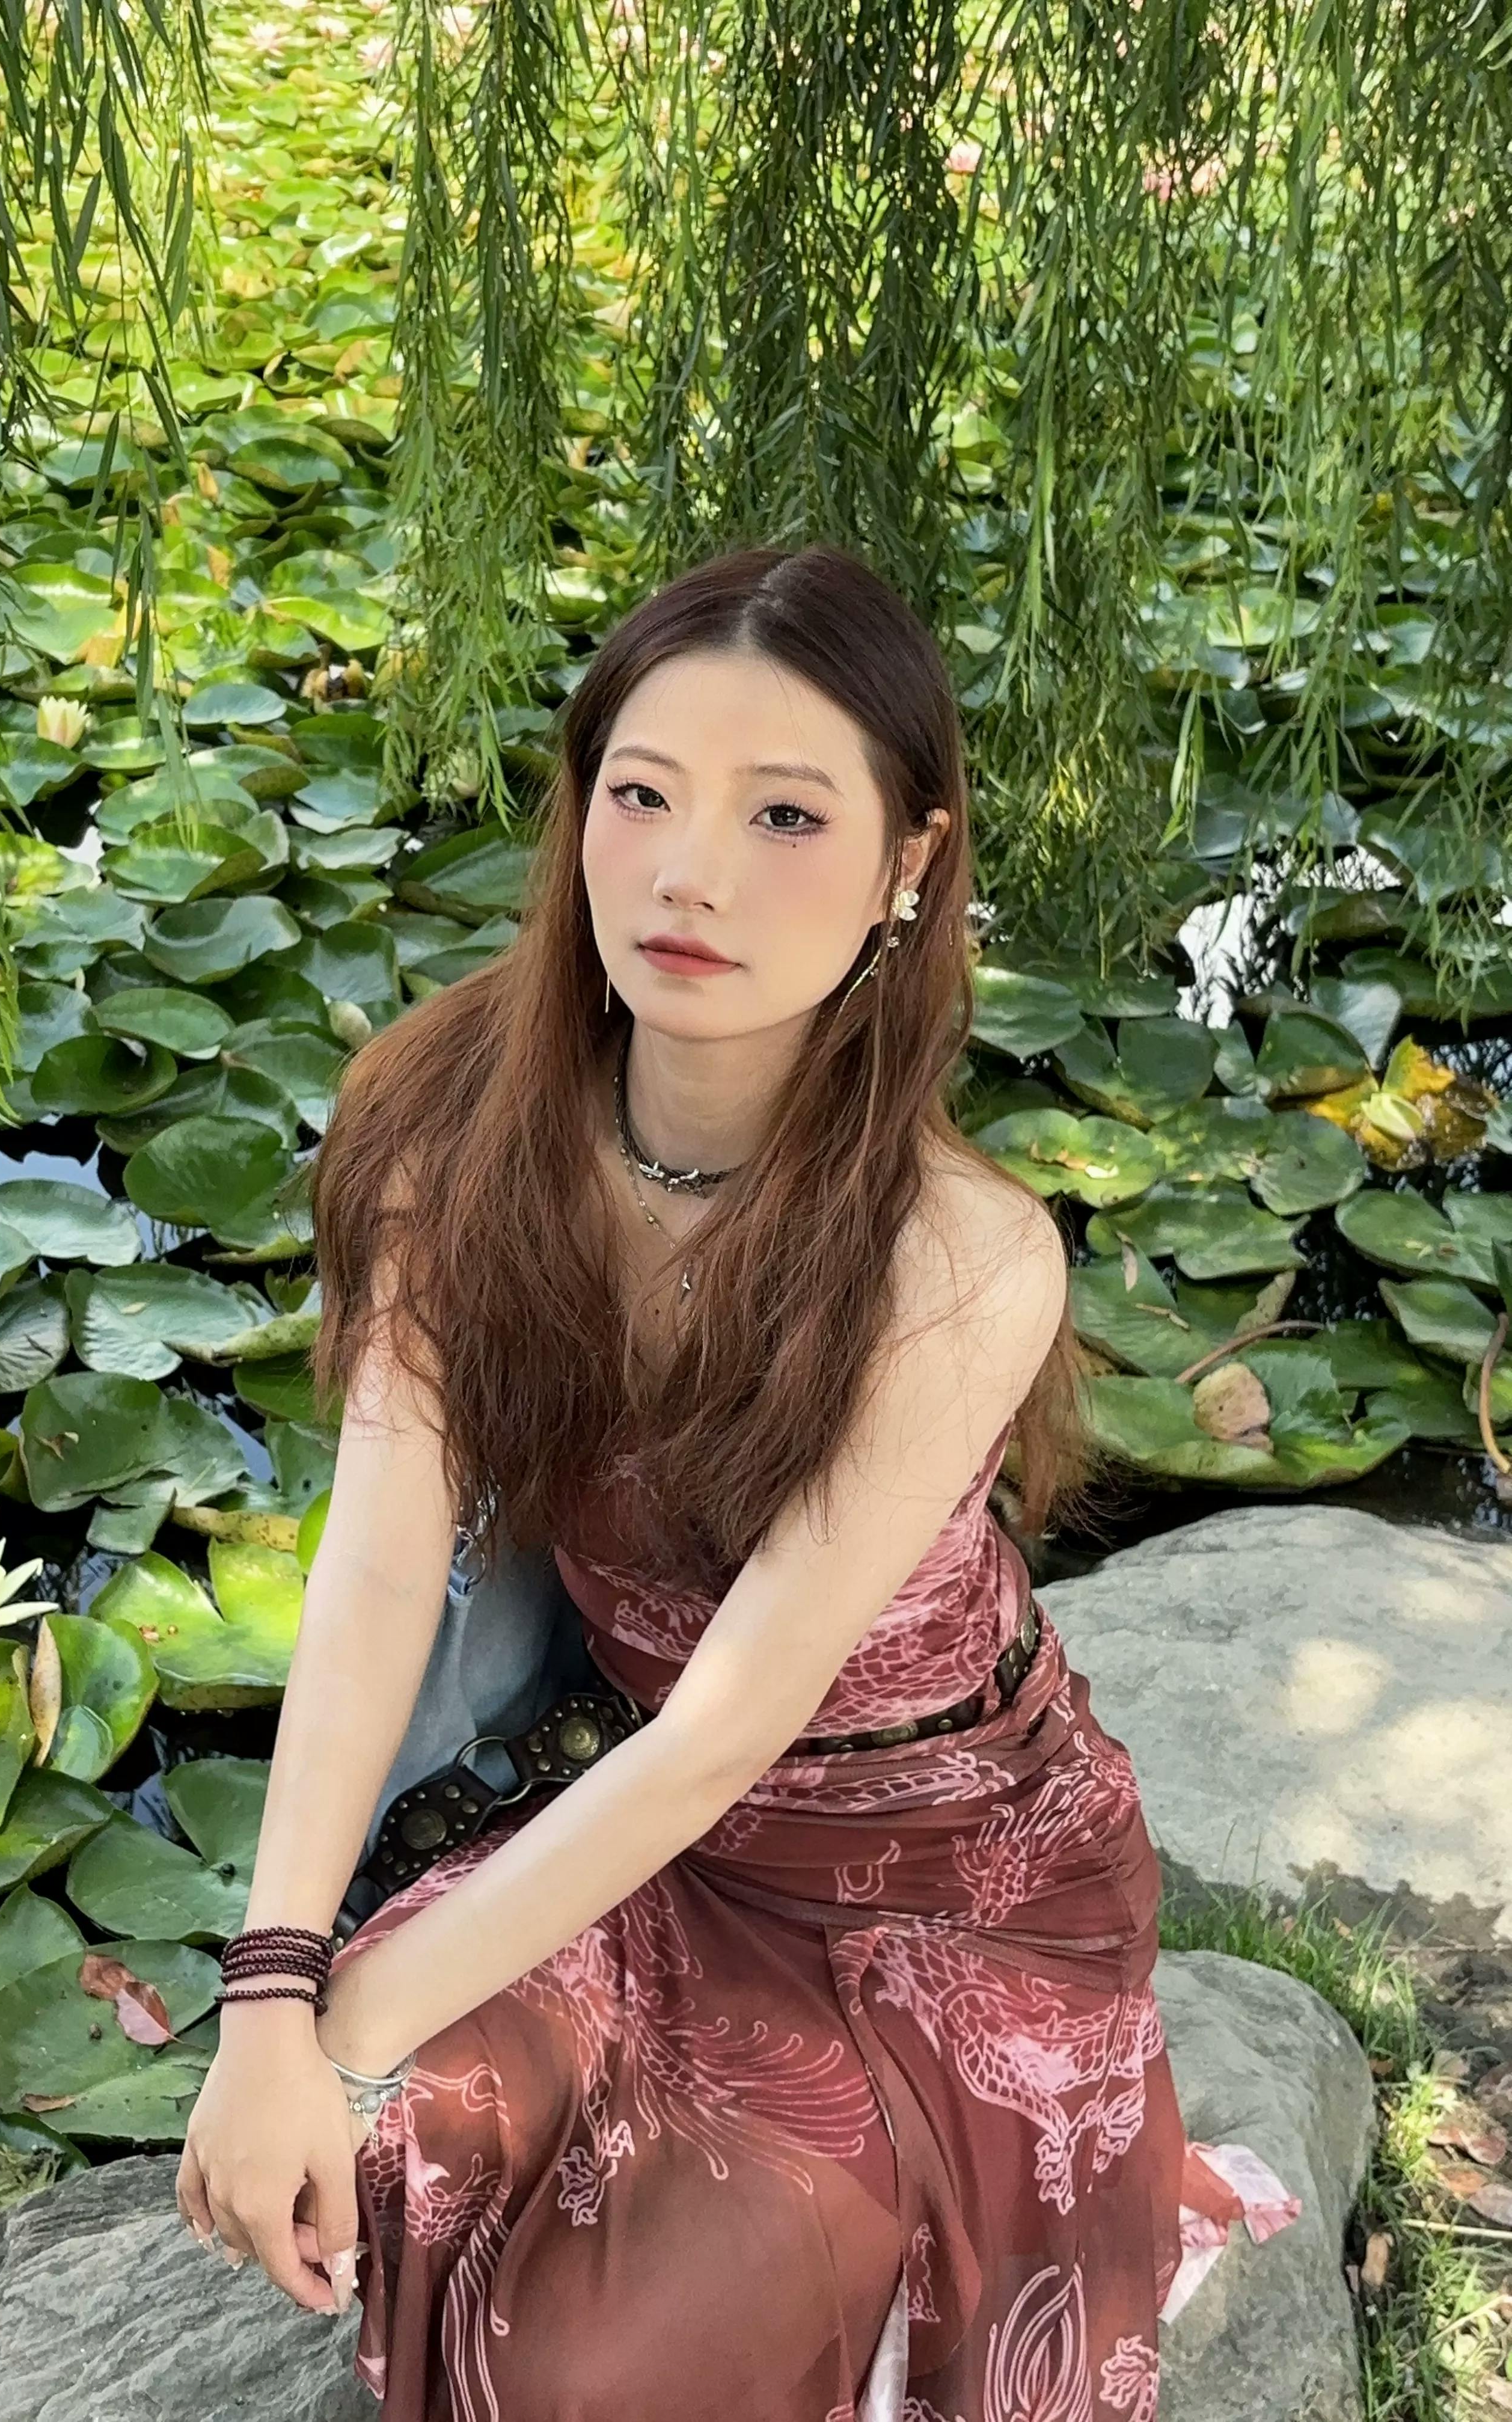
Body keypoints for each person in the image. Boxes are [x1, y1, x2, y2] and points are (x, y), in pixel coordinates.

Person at [176, 542, 1295, 2419]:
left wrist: (338, 2031)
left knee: (600, 2367)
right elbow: (375, 1565)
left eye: (785, 814)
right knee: (405, 2148)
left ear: (910, 863)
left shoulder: (962, 1258)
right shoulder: (452, 1127)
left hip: (946, 1876)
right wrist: (271, 1988)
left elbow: (718, 1733)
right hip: (645, 1834)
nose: (690, 872)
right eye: (643, 795)